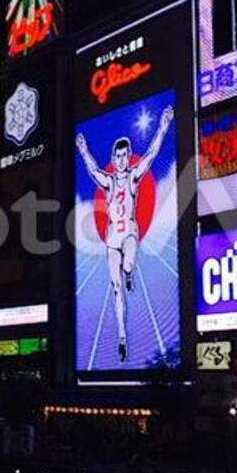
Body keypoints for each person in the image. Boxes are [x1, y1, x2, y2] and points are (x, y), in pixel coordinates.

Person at [75, 104, 174, 362]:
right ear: (113, 157)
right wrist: (84, 150)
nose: (120, 161)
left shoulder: (132, 177)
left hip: (129, 233)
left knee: (128, 264)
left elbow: (152, 154)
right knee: (116, 289)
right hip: (111, 241)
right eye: (116, 156)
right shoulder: (108, 181)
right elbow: (93, 170)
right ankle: (122, 337)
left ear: (128, 156)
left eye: (124, 156)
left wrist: (163, 126)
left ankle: (130, 272)